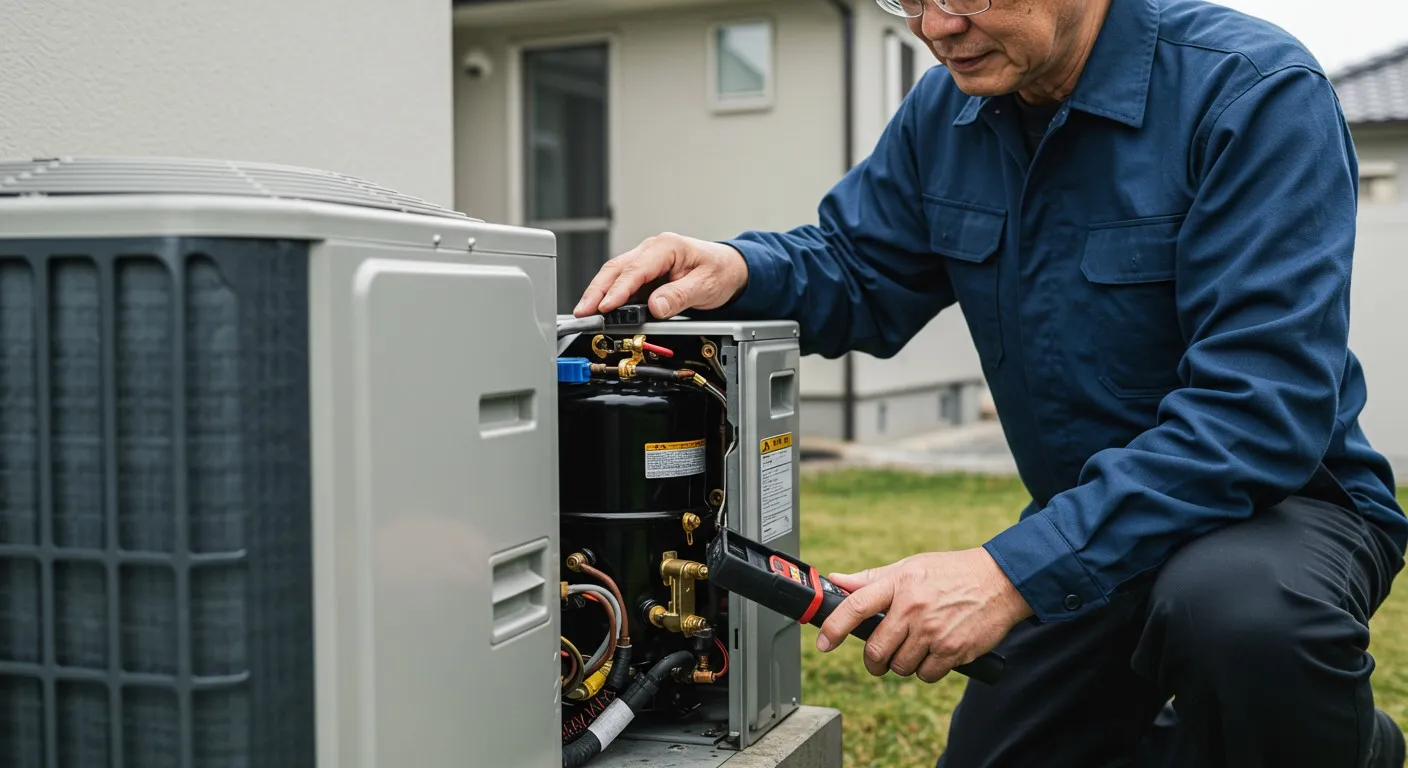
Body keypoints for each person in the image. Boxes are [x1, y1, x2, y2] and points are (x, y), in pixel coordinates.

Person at [573, 0, 1408, 764]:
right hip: (1089, 524)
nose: (936, 27)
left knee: (1237, 617)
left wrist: (1006, 576)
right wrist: (738, 265)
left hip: (1281, 509)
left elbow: (1255, 413)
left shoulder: (1252, 92)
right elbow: (859, 266)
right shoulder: (950, 113)